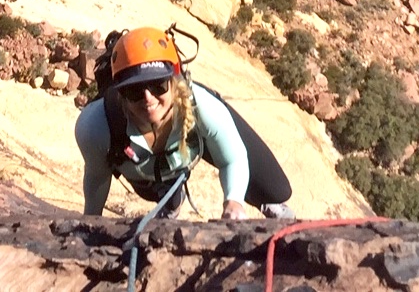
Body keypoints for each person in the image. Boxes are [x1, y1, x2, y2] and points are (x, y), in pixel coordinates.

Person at [74, 26, 295, 220]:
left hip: (188, 137)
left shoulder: (202, 106)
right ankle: (170, 197)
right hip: (150, 173)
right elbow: (96, 177)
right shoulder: (97, 126)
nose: (148, 97)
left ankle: (270, 204)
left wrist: (234, 202)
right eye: (134, 90)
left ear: (174, 79)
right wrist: (89, 223)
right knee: (158, 189)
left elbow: (233, 158)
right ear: (120, 92)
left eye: (158, 85)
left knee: (276, 189)